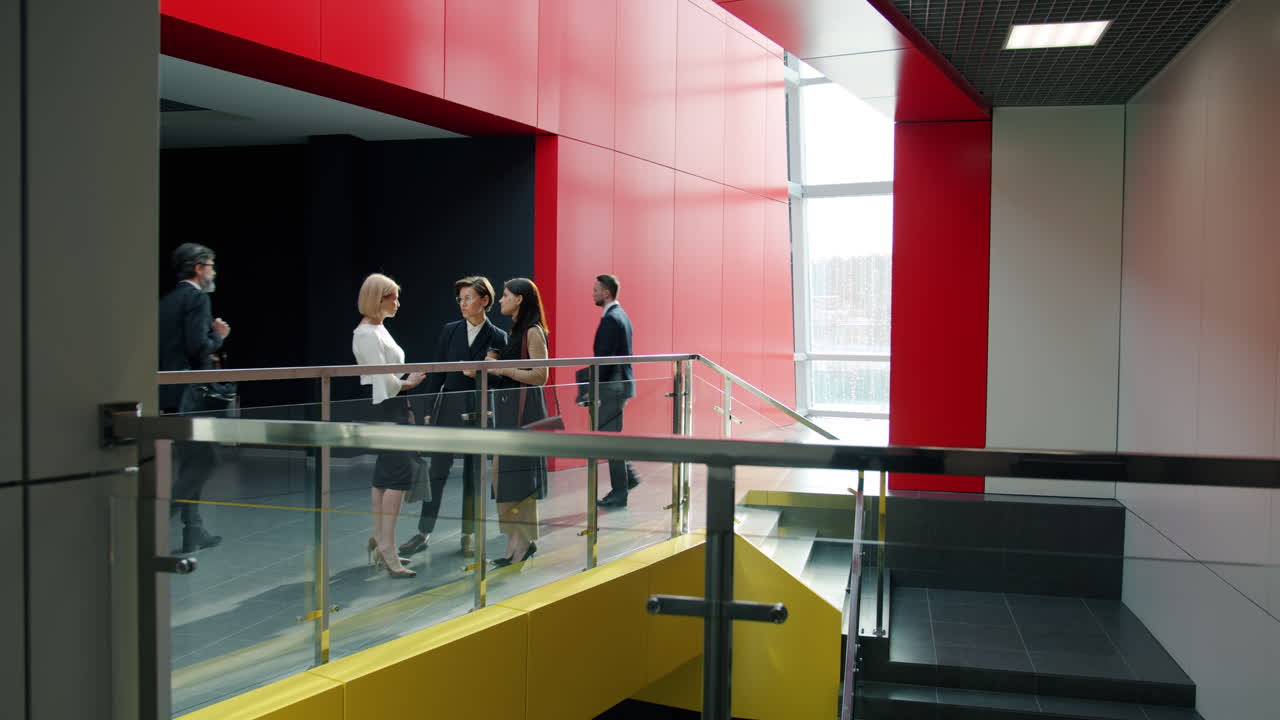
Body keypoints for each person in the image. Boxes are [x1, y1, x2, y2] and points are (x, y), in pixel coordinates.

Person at [399, 276, 507, 559]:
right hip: (447, 411)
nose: (462, 303)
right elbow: (437, 374)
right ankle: (423, 533)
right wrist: (426, 414)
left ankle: (468, 535)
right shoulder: (449, 331)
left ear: (484, 301)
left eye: (468, 298)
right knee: (437, 473)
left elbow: (499, 382)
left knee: (473, 476)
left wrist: (481, 374)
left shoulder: (498, 337)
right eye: (460, 299)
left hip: (477, 413)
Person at [353, 273, 426, 579]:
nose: (397, 303)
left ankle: (381, 540)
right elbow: (383, 381)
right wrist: (409, 383)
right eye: (391, 297)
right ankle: (386, 546)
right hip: (386, 407)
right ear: (377, 298)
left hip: (391, 407)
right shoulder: (367, 333)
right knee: (397, 475)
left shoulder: (377, 329)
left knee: (386, 474)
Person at [159, 242, 231, 553]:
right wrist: (219, 336)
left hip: (170, 393)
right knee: (203, 461)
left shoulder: (167, 301)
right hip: (193, 395)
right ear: (199, 267)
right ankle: (159, 520)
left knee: (191, 462)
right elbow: (197, 347)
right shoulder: (197, 299)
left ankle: (193, 529)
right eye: (211, 266)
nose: (213, 272)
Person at [484, 278, 551, 567]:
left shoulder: (533, 332)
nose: (501, 300)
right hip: (511, 414)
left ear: (520, 299)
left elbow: (541, 375)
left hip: (524, 416)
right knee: (505, 479)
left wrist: (505, 369)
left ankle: (520, 542)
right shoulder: (516, 331)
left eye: (505, 295)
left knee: (518, 479)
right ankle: (516, 540)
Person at [591, 274, 641, 508]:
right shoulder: (622, 316)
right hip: (620, 385)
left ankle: (620, 491)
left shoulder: (612, 318)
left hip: (612, 387)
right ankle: (627, 478)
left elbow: (605, 360)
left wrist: (594, 390)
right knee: (610, 436)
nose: (593, 293)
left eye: (596, 290)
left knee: (609, 440)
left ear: (607, 293)